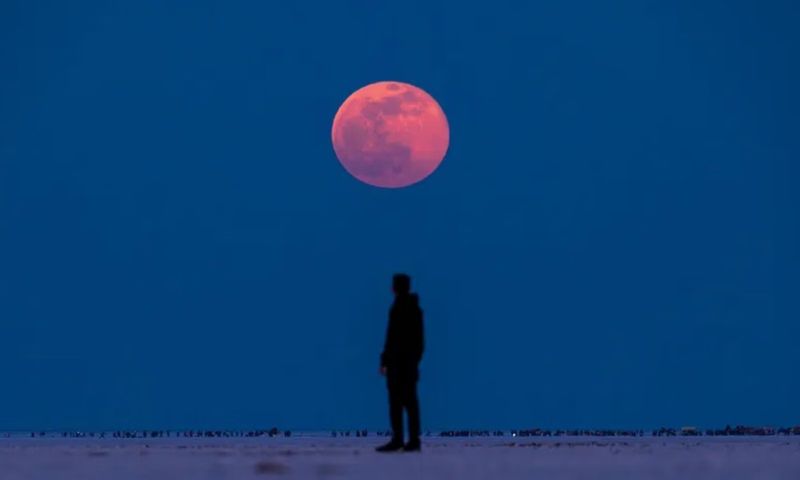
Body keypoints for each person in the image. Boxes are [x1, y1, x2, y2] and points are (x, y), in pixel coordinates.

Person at [376, 273, 424, 453]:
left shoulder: (408, 308)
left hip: (403, 363)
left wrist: (410, 360)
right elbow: (392, 338)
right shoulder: (403, 307)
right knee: (401, 402)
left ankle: (409, 440)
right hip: (400, 363)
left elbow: (414, 340)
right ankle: (403, 439)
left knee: (406, 403)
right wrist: (386, 360)